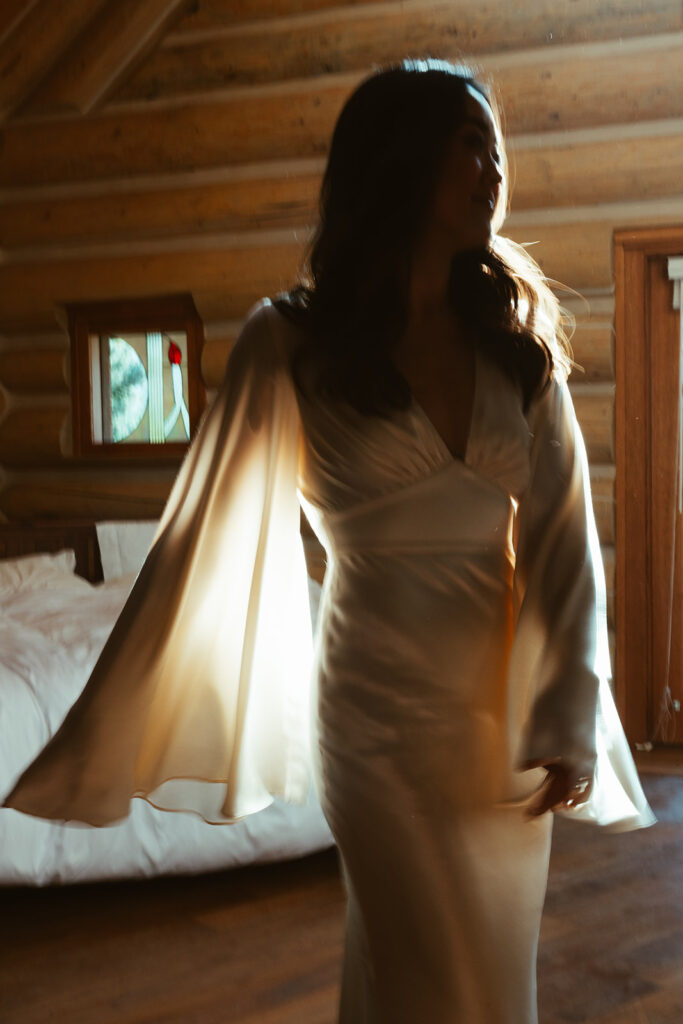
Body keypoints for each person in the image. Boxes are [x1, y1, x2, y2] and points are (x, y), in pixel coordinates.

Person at [4, 60, 654, 1023]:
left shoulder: (516, 348)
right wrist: (98, 734)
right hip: (375, 718)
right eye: (470, 146)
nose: (494, 170)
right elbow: (196, 542)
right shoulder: (291, 343)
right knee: (417, 955)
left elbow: (565, 549)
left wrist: (564, 712)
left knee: (485, 969)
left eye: (497, 148)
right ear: (398, 163)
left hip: (497, 726)